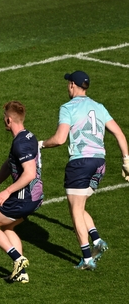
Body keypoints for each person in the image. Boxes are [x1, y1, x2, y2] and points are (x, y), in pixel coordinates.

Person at [39, 71, 129, 270]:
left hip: (80, 163)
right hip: (100, 163)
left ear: (72, 84)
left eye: (68, 83)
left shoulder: (68, 107)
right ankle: (96, 240)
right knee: (79, 206)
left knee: (75, 210)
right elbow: (119, 133)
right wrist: (126, 161)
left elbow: (60, 139)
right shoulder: (99, 107)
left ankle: (87, 259)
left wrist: (41, 144)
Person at [0, 101, 43, 283]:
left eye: (4, 118)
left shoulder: (20, 144)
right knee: (7, 226)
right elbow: (10, 164)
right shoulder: (28, 136)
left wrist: (6, 191)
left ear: (9, 120)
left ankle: (17, 258)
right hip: (36, 197)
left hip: (24, 198)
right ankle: (20, 273)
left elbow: (29, 173)